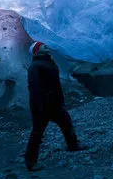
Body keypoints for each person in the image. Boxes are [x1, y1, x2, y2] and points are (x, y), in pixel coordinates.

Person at [24, 41, 85, 171]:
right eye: (42, 46)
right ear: (37, 51)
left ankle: (73, 145)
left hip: (54, 102)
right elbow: (34, 88)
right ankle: (30, 162)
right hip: (43, 104)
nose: (46, 46)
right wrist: (39, 106)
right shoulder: (35, 66)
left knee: (66, 122)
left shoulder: (48, 62)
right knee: (38, 131)